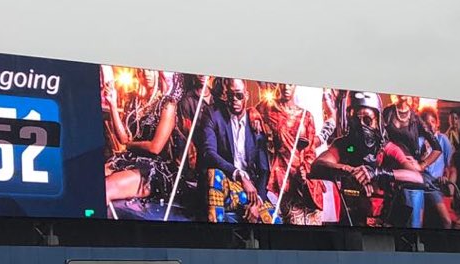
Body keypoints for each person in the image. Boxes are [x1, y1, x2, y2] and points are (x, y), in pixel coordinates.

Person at [310, 92, 431, 227]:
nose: (362, 126)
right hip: (350, 219)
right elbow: (317, 165)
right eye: (356, 120)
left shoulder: (386, 148)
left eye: (367, 120)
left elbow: (418, 178)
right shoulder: (344, 145)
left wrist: (378, 173)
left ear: (377, 121)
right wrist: (350, 171)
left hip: (384, 220)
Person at [199, 78, 278, 223]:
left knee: (275, 221)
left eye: (239, 95)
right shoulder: (213, 115)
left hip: (251, 191)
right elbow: (209, 154)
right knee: (213, 174)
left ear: (246, 96)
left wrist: (257, 201)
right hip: (226, 183)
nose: (235, 100)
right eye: (231, 95)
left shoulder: (256, 123)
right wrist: (240, 175)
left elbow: (264, 170)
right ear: (225, 95)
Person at [102, 68, 184, 205]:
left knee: (106, 187)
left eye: (151, 70)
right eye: (142, 70)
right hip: (130, 159)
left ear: (158, 73)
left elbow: (155, 147)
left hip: (154, 168)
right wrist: (113, 105)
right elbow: (123, 138)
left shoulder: (167, 104)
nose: (146, 73)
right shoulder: (134, 101)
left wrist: (130, 145)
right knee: (90, 179)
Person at [255, 82, 324, 225]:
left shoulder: (306, 116)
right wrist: (254, 118)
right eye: (283, 84)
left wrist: (306, 169)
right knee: (294, 226)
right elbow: (251, 112)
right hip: (285, 178)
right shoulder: (269, 108)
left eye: (290, 84)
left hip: (307, 180)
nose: (286, 88)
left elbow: (311, 151)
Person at [382, 95, 441, 227]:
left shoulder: (415, 118)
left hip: (410, 177)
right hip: (390, 175)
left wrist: (422, 165)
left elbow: (437, 148)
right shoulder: (387, 113)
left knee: (412, 225)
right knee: (390, 224)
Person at [419, 108, 455, 229]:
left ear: (437, 123)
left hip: (435, 185)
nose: (430, 125)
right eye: (426, 122)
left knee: (446, 221)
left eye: (433, 121)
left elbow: (450, 166)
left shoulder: (442, 140)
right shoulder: (419, 140)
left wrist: (446, 178)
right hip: (421, 182)